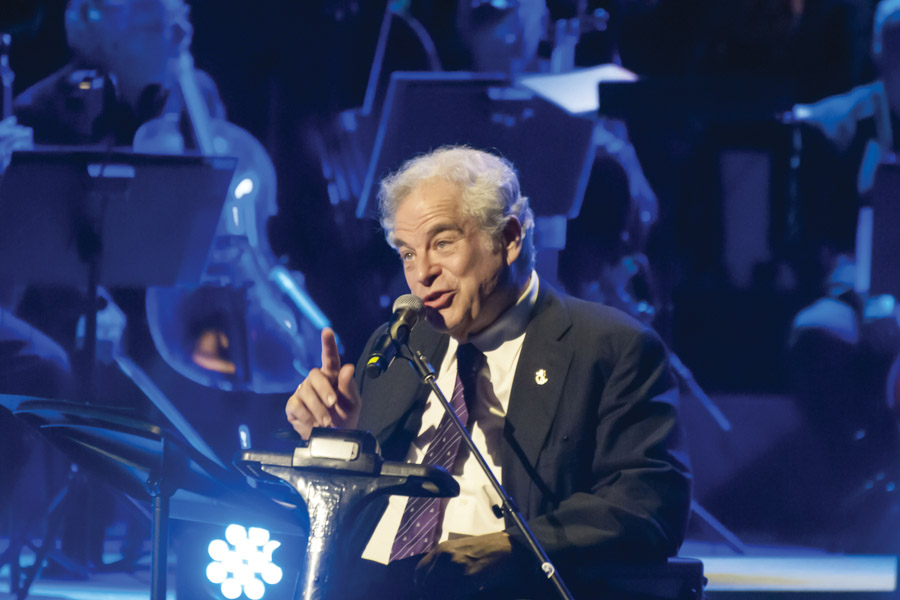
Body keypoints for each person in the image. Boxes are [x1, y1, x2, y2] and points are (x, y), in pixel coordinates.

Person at [285, 146, 692, 599]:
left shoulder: (609, 348)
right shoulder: (398, 344)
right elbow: (342, 509)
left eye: (442, 243)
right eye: (407, 253)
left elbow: (648, 505)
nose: (422, 274)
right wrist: (337, 443)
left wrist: (517, 548)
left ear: (509, 238)